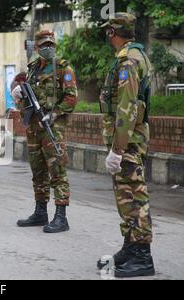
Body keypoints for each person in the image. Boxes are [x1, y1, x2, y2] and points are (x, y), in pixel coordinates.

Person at [97, 12, 155, 278]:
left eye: (108, 31)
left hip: (127, 141)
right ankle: (131, 245)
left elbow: (127, 107)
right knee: (126, 195)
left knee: (134, 196)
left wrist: (117, 149)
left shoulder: (128, 60)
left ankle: (142, 256)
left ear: (113, 32)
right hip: (129, 139)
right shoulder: (134, 54)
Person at [11, 30, 78, 233]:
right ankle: (41, 212)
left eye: (51, 44)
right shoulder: (33, 69)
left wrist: (54, 114)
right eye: (44, 45)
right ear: (37, 48)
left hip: (52, 128)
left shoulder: (63, 68)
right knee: (38, 171)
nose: (48, 48)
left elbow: (71, 98)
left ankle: (61, 217)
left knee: (57, 171)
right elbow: (27, 95)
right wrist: (18, 94)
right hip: (33, 127)